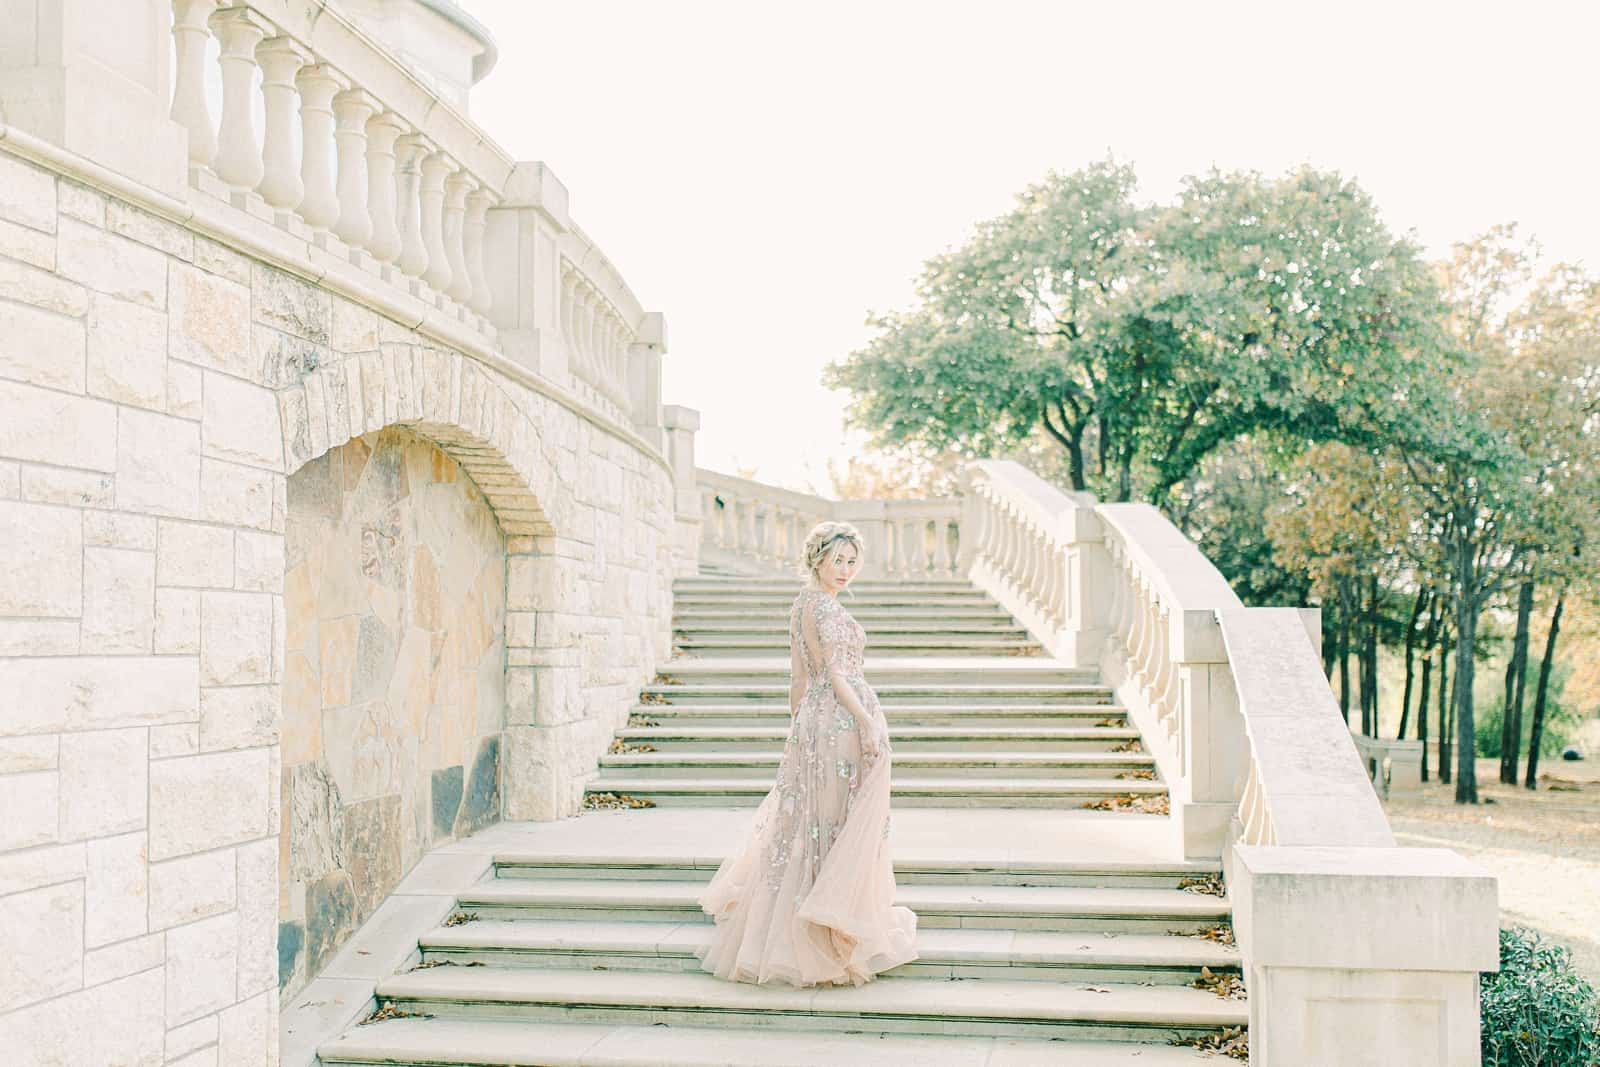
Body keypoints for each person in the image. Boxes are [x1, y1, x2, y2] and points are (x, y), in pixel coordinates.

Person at [696, 520, 919, 987]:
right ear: (816, 559)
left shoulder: (802, 606)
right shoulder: (825, 610)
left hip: (817, 720)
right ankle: (825, 928)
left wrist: (799, 724)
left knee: (810, 822)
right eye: (837, 560)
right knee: (837, 823)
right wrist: (865, 723)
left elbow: (798, 677)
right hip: (840, 717)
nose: (845, 570)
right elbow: (836, 674)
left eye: (852, 562)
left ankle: (807, 915)